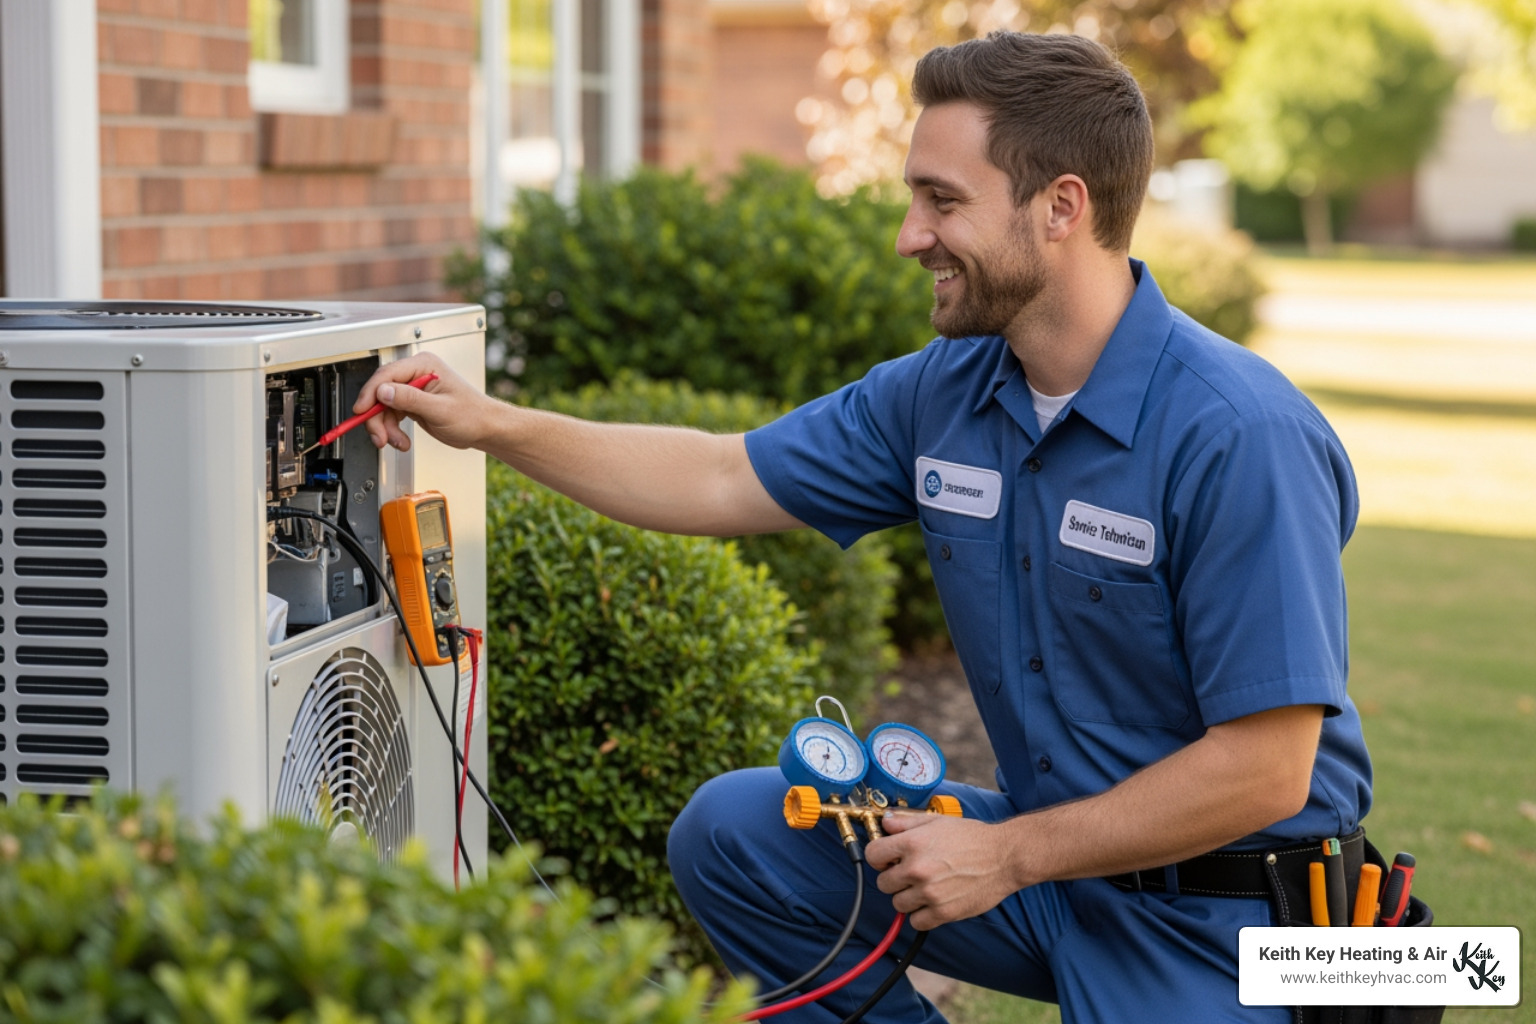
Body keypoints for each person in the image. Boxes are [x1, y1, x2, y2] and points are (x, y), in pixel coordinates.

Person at [356, 30, 1371, 1024]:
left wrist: (1006, 854)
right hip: (1056, 874)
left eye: (944, 201)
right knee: (735, 834)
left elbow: (1266, 765)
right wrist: (487, 422)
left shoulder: (1239, 433)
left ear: (1062, 206)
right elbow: (719, 475)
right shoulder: (948, 393)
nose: (909, 236)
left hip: (1234, 919)